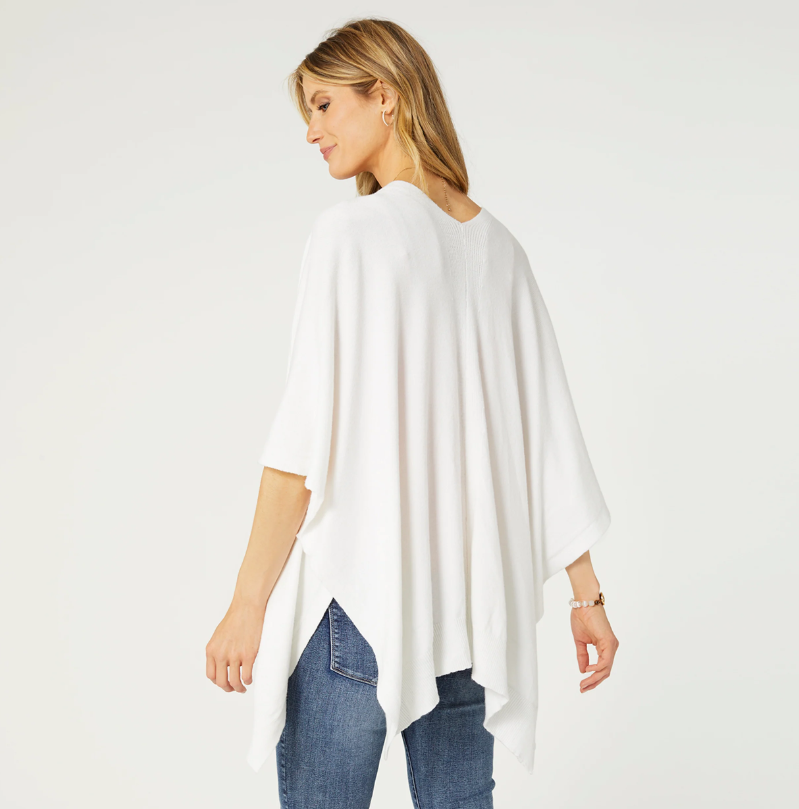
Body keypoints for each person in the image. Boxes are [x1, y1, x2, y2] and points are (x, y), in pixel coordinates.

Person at [206, 17, 619, 809]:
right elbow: (551, 439)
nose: (311, 130)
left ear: (386, 96)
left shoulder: (349, 233)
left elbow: (301, 442)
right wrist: (586, 596)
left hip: (358, 604)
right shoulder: (499, 248)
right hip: (465, 615)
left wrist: (246, 605)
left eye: (324, 105)